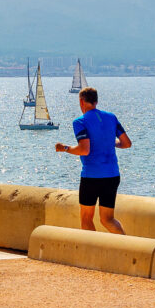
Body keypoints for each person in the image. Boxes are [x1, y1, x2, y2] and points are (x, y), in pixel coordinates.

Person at [54, 87, 131, 233]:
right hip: (112, 175)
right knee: (107, 219)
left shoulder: (80, 121)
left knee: (86, 218)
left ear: (81, 101)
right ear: (96, 101)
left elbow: (84, 150)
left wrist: (65, 148)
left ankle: (91, 253)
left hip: (92, 177)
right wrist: (109, 141)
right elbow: (127, 143)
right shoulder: (111, 117)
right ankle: (127, 249)